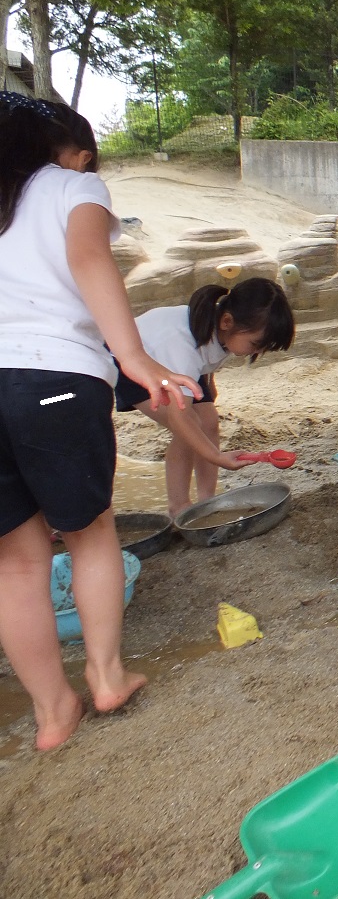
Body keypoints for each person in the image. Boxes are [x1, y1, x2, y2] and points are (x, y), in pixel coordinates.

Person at [0, 94, 200, 751]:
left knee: (15, 565)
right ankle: (107, 676)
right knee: (89, 535)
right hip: (55, 377)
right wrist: (133, 356)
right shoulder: (71, 186)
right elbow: (90, 258)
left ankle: (53, 713)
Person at [114, 278, 295, 515]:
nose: (258, 352)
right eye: (256, 344)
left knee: (208, 420)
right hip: (133, 364)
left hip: (177, 366)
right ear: (227, 321)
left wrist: (209, 385)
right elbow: (180, 417)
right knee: (189, 427)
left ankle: (207, 501)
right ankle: (179, 507)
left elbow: (206, 358)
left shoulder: (220, 328)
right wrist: (217, 457)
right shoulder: (182, 344)